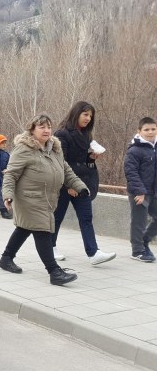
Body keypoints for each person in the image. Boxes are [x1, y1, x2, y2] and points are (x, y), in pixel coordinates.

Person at [0, 114, 88, 285]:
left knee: (24, 228)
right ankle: (54, 272)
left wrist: (80, 186)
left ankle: (6, 258)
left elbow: (66, 170)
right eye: (42, 127)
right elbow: (11, 174)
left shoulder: (55, 148)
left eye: (49, 127)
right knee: (42, 231)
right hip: (28, 199)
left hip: (47, 199)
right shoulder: (23, 149)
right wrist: (7, 195)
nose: (46, 130)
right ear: (32, 129)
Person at [51, 101, 116, 265]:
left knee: (86, 218)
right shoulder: (62, 134)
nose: (88, 118)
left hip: (82, 183)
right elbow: (60, 162)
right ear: (76, 113)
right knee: (57, 217)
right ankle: (50, 247)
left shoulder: (86, 135)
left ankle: (93, 253)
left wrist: (91, 158)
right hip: (65, 184)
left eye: (90, 116)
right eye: (85, 114)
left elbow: (83, 161)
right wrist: (69, 185)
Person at [124, 117, 157, 262]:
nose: (150, 132)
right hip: (139, 193)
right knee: (139, 222)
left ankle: (144, 241)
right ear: (139, 131)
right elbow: (131, 172)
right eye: (146, 129)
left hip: (154, 191)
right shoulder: (134, 150)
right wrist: (140, 191)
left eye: (153, 129)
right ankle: (137, 251)